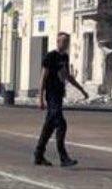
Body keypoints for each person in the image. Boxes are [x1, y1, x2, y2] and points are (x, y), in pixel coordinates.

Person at [34, 31, 88, 168]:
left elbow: (66, 75)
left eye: (67, 41)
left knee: (49, 126)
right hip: (51, 95)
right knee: (61, 124)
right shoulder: (50, 56)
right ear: (57, 42)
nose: (64, 44)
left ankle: (38, 155)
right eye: (62, 41)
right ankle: (63, 158)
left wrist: (81, 89)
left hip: (59, 95)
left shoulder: (64, 57)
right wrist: (40, 98)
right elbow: (43, 78)